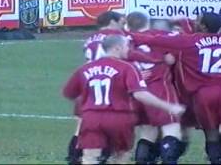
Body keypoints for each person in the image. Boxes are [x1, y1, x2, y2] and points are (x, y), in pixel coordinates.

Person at [130, 12, 221, 164]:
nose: (195, 22)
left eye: (197, 21)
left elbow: (155, 40)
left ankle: (216, 160)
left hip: (205, 93)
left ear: (203, 26)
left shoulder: (190, 41)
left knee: (211, 133)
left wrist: (129, 36)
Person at [62, 35, 186, 164]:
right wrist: (168, 106)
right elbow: (140, 94)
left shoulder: (85, 69)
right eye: (127, 47)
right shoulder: (128, 67)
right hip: (119, 117)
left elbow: (70, 93)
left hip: (92, 117)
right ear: (117, 48)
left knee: (89, 157)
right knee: (120, 156)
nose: (129, 50)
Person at [126, 12, 188, 164]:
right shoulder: (159, 36)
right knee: (171, 129)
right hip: (159, 89)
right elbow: (173, 57)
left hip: (135, 91)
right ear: (147, 23)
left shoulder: (123, 40)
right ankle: (168, 160)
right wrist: (182, 22)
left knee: (147, 131)